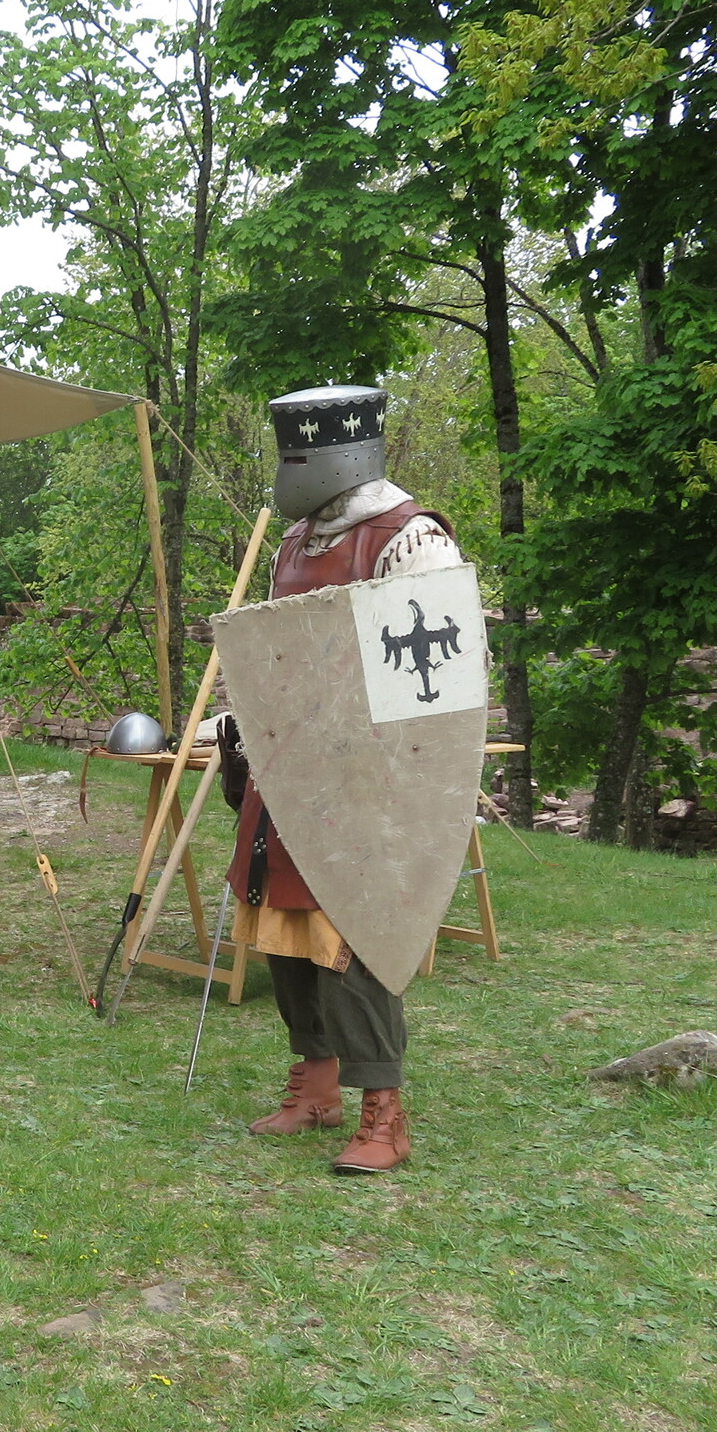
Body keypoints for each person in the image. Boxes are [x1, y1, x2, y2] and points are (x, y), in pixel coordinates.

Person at [218, 384, 465, 1173]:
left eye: (300, 451)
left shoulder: (409, 537)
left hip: (367, 779)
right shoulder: (296, 540)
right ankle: (316, 1085)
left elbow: (433, 680)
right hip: (291, 768)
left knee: (355, 936)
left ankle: (383, 1111)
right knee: (285, 926)